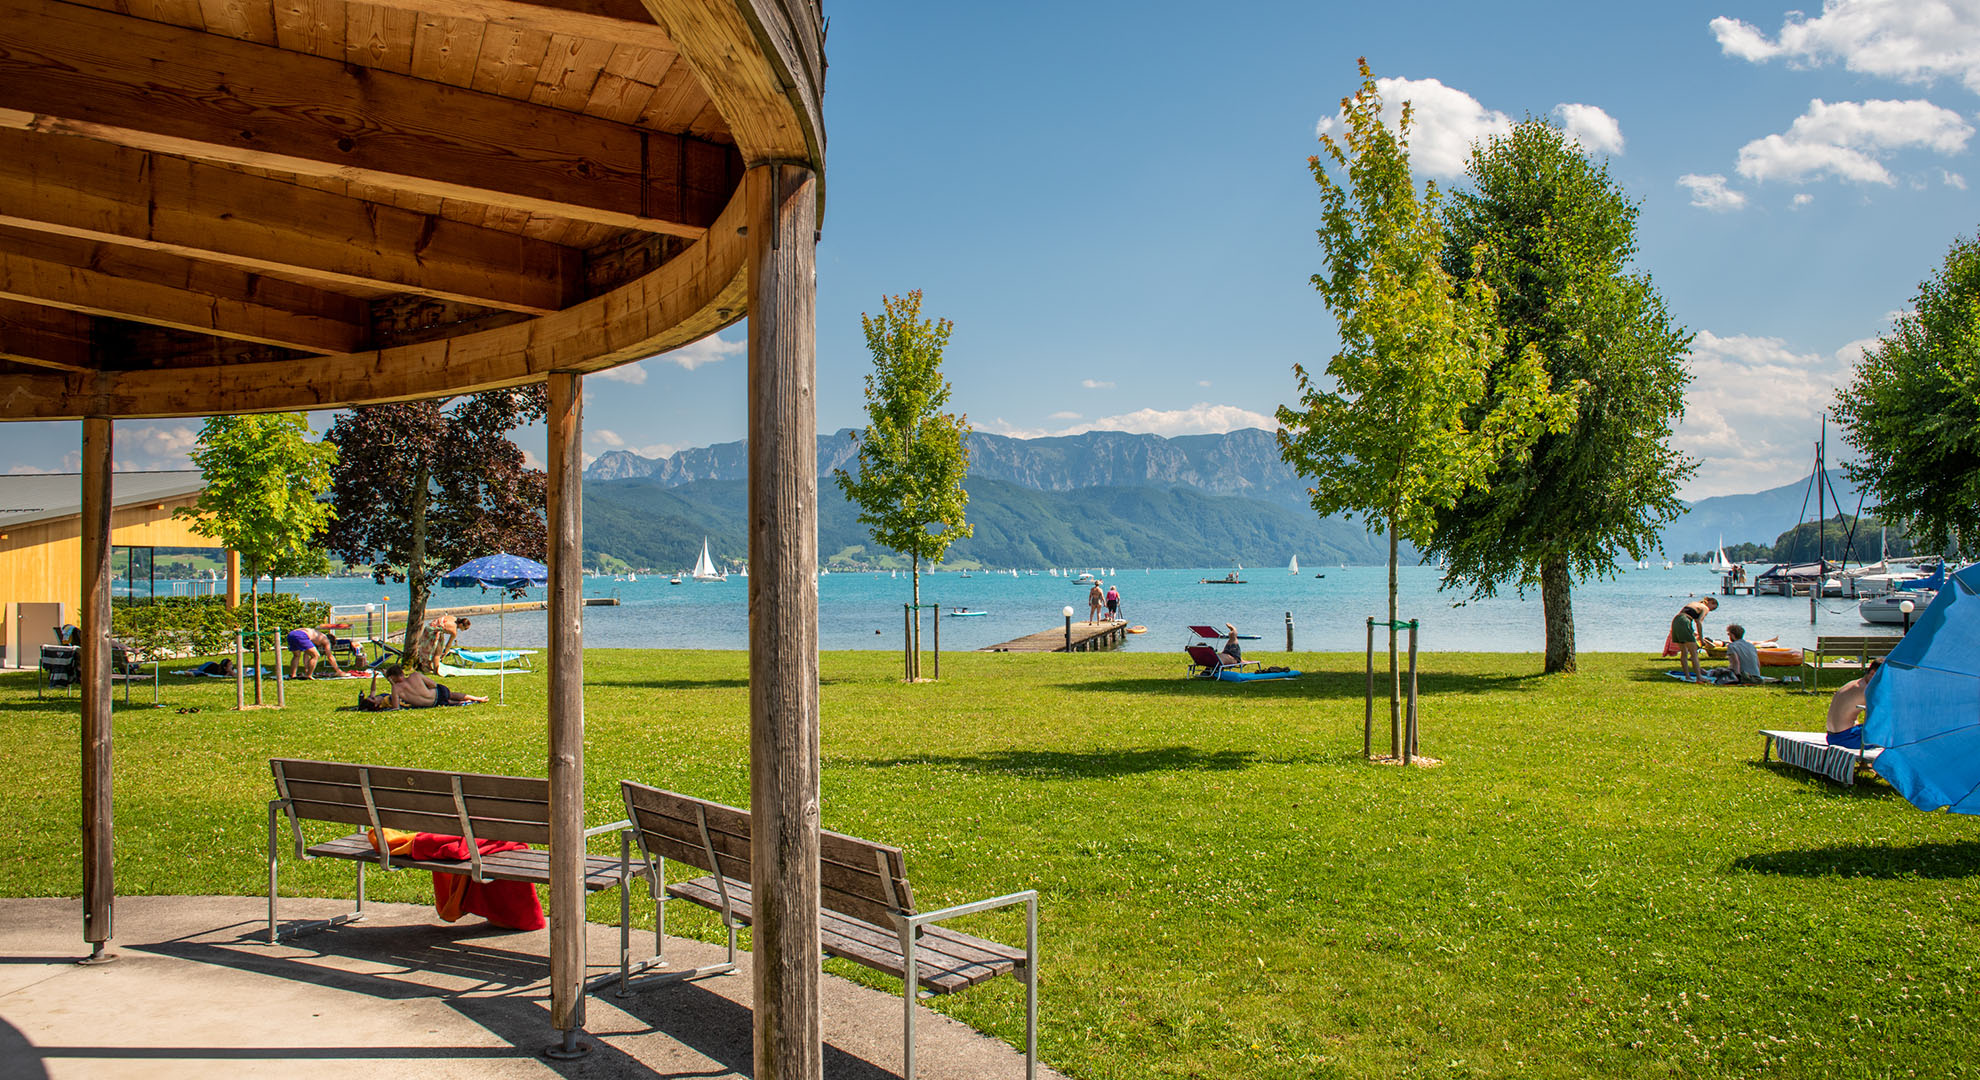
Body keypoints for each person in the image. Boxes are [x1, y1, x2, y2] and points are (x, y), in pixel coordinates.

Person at [1825, 659, 1881, 748]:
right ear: (1872, 674)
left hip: (1832, 736)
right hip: (1846, 739)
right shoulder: (1867, 690)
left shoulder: (1854, 683)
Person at [385, 663, 486, 708]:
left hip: (433, 703)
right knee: (451, 694)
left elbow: (395, 706)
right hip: (437, 693)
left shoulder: (396, 688)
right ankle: (477, 698)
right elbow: (433, 684)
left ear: (392, 677)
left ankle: (465, 702)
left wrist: (392, 683)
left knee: (450, 701)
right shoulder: (415, 675)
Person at [1671, 596, 1718, 683]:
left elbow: (1687, 616)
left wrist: (1692, 631)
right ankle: (1699, 677)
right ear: (1710, 602)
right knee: (1694, 654)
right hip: (1684, 621)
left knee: (1684, 653)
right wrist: (1701, 638)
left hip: (1676, 621)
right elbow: (1699, 622)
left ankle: (1687, 676)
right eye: (1713, 608)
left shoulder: (1694, 603)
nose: (1711, 610)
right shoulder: (1705, 608)